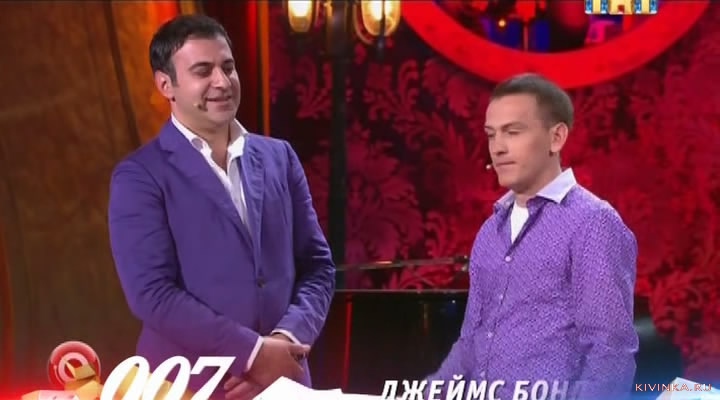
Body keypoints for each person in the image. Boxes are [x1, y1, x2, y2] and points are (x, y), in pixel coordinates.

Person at [107, 14, 335, 400]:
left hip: (286, 382)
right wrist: (254, 355)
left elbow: (317, 267)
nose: (222, 82)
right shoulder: (139, 176)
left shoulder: (280, 157)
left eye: (228, 67)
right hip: (188, 385)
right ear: (166, 85)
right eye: (203, 71)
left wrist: (284, 345)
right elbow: (152, 293)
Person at [424, 74, 638, 400]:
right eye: (491, 134)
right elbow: (470, 343)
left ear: (556, 137)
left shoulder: (592, 222)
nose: (498, 148)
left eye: (513, 132)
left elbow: (610, 354)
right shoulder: (490, 232)